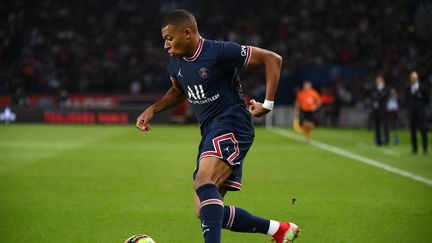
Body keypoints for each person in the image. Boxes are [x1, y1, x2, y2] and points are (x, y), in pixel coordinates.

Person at [135, 9, 300, 243]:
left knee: (204, 182)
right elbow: (178, 90)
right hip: (210, 129)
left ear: (188, 33)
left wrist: (268, 104)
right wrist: (153, 109)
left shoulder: (219, 52)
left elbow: (272, 59)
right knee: (205, 211)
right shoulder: (175, 62)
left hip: (232, 121)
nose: (166, 45)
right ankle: (279, 230)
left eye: (169, 38)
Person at [406, 71, 430, 155]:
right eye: (412, 77)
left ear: (417, 78)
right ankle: (414, 149)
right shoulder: (408, 87)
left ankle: (425, 149)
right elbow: (406, 99)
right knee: (413, 131)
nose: (413, 79)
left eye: (414, 77)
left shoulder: (423, 87)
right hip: (412, 112)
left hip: (421, 112)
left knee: (423, 130)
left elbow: (427, 99)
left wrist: (421, 106)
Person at [370, 75, 390, 146]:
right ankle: (378, 141)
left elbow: (385, 96)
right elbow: (372, 96)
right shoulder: (374, 88)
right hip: (376, 109)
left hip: (383, 109)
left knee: (385, 125)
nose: (378, 81)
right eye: (377, 80)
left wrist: (378, 96)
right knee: (377, 125)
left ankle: (386, 140)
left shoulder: (386, 88)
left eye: (379, 80)